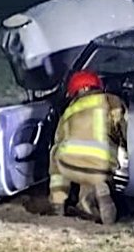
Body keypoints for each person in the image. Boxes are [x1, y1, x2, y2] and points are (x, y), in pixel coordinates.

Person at [48, 70, 127, 225]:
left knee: (57, 154)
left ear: (73, 92)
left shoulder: (68, 112)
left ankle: (58, 205)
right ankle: (101, 190)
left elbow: (58, 139)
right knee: (93, 173)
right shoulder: (111, 101)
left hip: (70, 166)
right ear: (97, 86)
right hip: (101, 166)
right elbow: (126, 130)